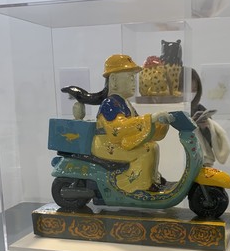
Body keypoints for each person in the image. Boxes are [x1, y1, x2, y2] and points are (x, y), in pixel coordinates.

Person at [63, 54, 171, 193]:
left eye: (133, 77)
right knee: (146, 150)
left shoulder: (124, 103)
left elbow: (136, 125)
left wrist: (158, 124)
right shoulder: (110, 103)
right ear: (113, 80)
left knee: (152, 145)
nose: (134, 82)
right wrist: (150, 119)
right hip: (106, 144)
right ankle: (134, 184)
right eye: (130, 77)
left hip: (114, 143)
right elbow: (117, 129)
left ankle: (151, 179)